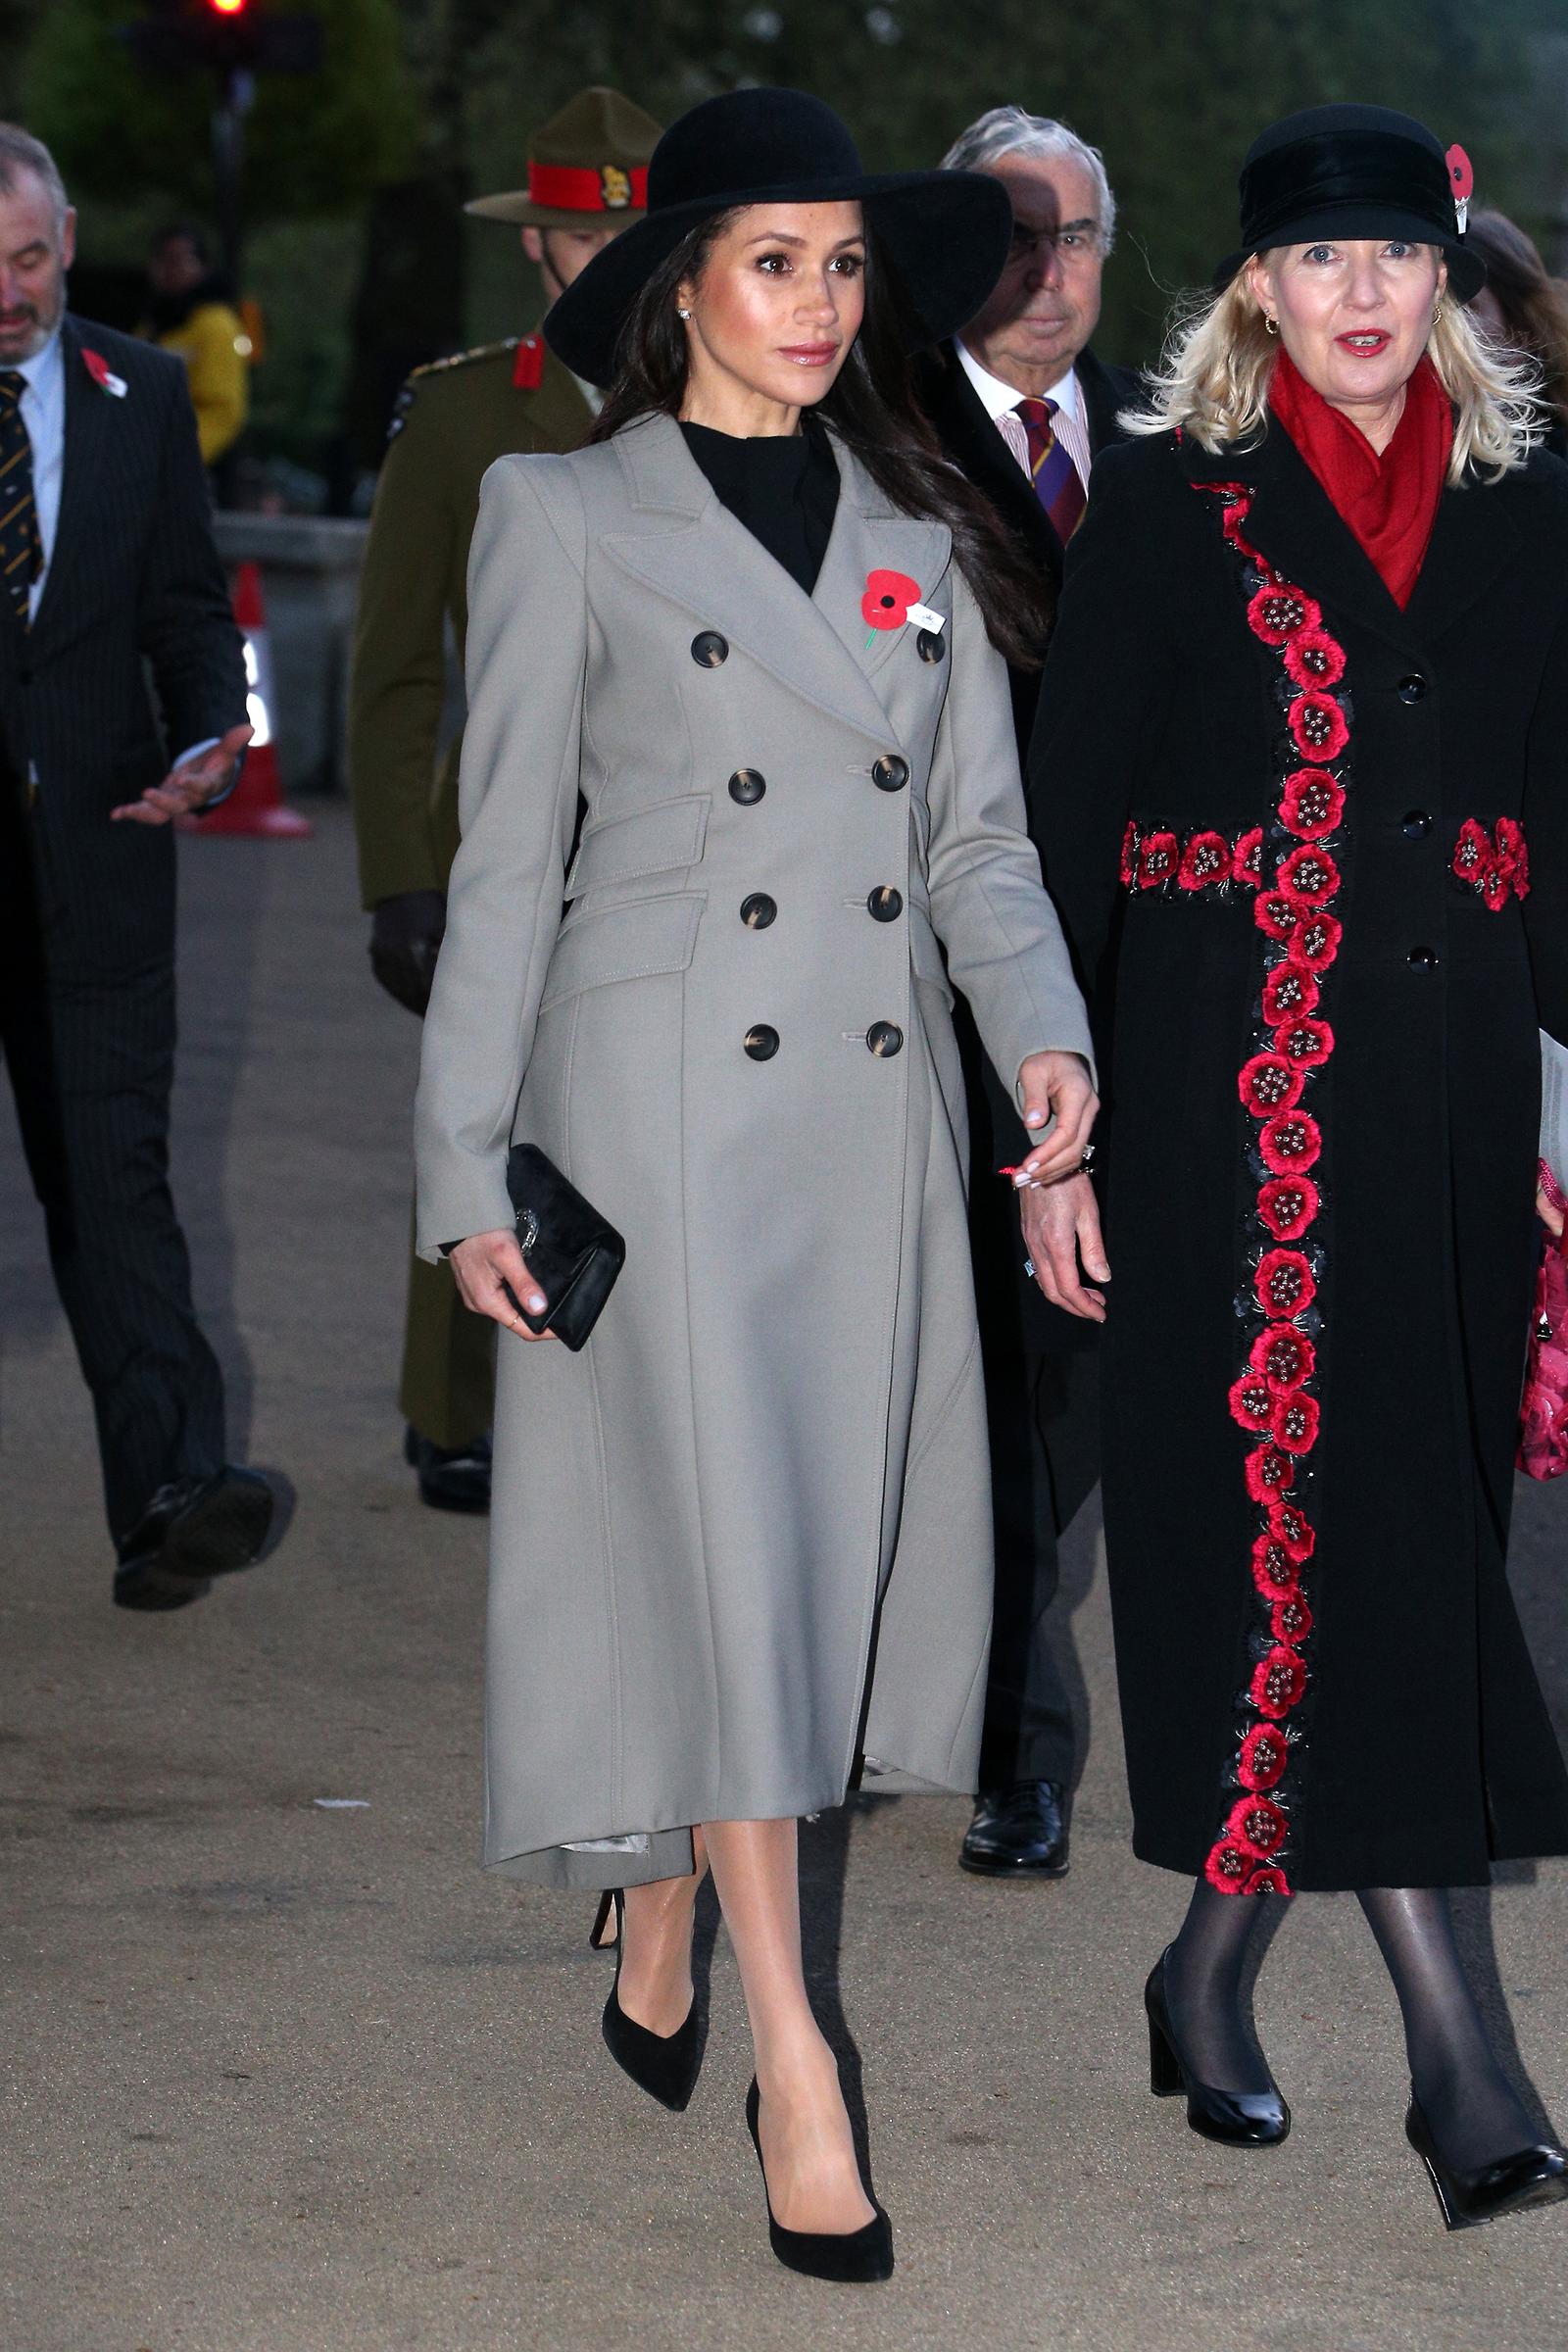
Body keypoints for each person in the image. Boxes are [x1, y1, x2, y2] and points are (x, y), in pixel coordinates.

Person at [414, 86, 1097, 2279]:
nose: (816, 304)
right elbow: (501, 869)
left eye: (841, 265)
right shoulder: (561, 511)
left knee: (797, 1581)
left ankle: (669, 1904)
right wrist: (458, 1163)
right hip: (659, 1120)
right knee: (731, 1579)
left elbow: (973, 845)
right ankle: (798, 2064)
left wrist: (1045, 1042)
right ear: (681, 284)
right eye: (772, 262)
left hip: (862, 1130)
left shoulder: (914, 511)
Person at [1027, 103, 1568, 2230]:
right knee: (1323, 1547)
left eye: (1396, 259)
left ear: (1440, 280)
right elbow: (1063, 831)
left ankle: (1202, 1968)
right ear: (1255, 286)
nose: (1361, 296)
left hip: (1441, 1116)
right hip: (1217, 1107)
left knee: (1400, 1537)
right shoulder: (1166, 508)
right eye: (1318, 262)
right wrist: (1039, 1129)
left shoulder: (1532, 507)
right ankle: (1469, 2073)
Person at [349, 86, 661, 1515]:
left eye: (625, 230)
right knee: (480, 1115)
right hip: (512, 840)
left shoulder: (730, 397)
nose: (599, 256)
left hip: (671, 834)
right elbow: (399, 667)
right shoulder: (472, 410)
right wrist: (399, 875)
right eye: (575, 234)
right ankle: (457, 1408)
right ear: (535, 246)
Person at [0, 125, 270, 1610]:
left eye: (33, 259)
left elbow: (186, 603)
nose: (12, 293)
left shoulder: (143, 391)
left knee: (118, 1179)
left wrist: (216, 733)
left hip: (100, 859)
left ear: (71, 237)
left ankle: (168, 1492)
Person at [917, 106, 1141, 1883]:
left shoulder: (1176, 442)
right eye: (1011, 231)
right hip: (934, 992)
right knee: (983, 1375)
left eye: (1074, 235)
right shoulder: (881, 439)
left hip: (1155, 977)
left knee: (1071, 1378)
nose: (1045, 268)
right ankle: (1011, 1742)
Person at [139, 223, 250, 491]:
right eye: (162, 259)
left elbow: (223, 409)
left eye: (180, 260)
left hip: (183, 472)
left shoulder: (215, 324)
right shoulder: (154, 325)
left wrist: (175, 459)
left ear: (202, 266)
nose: (169, 269)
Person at [1464, 207, 1568, 454]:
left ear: (1521, 331)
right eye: (1436, 304)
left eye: (1469, 308)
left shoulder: (1550, 471)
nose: (1444, 324)